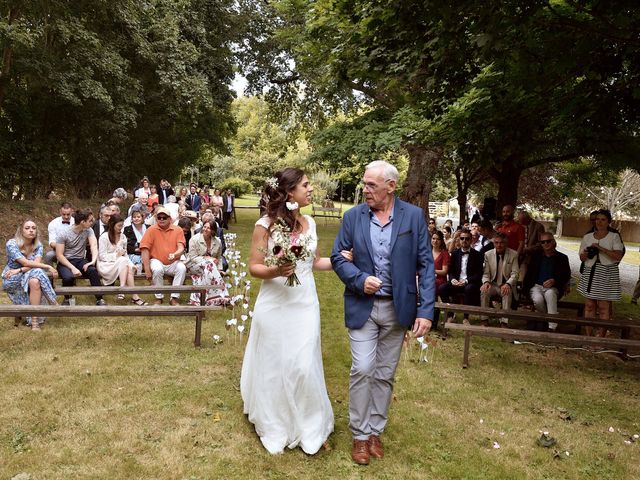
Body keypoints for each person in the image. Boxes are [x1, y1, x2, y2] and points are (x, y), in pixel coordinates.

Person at [331, 160, 434, 466]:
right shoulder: (352, 217)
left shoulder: (413, 217)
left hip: (398, 308)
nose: (366, 190)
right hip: (362, 306)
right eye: (364, 184)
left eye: (371, 185)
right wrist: (360, 279)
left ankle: (375, 430)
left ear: (391, 186)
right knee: (363, 369)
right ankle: (360, 436)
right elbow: (339, 256)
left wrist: (426, 311)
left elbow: (426, 265)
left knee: (385, 374)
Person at [241, 168, 339, 456]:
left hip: (305, 301)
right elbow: (254, 266)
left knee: (303, 362)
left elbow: (315, 261)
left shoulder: (309, 221)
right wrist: (277, 269)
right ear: (289, 192)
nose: (311, 189)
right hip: (275, 302)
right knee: (276, 363)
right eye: (306, 185)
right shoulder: (266, 225)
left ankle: (310, 423)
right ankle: (277, 421)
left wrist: (343, 261)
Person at [3, 220, 58, 330]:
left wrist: (19, 270)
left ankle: (34, 323)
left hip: (25, 274)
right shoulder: (12, 244)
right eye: (27, 228)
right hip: (12, 278)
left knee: (35, 280)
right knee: (37, 271)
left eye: (33, 228)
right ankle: (52, 299)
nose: (31, 230)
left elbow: (35, 265)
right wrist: (47, 266)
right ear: (21, 231)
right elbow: (27, 263)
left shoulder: (38, 246)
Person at [577, 209, 624, 336]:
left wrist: (600, 249)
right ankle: (589, 336)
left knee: (603, 307)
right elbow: (581, 258)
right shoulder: (587, 237)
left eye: (603, 219)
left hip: (607, 272)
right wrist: (586, 253)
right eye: (597, 219)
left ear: (609, 221)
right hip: (590, 271)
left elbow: (618, 256)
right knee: (589, 305)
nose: (599, 222)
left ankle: (601, 337)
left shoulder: (614, 236)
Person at [56, 208, 106, 306]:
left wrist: (92, 262)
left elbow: (94, 246)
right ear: (82, 222)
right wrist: (72, 268)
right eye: (90, 220)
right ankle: (67, 298)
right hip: (65, 261)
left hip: (80, 260)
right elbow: (59, 255)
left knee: (92, 271)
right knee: (68, 278)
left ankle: (99, 298)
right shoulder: (63, 233)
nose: (93, 222)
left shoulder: (88, 230)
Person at [522, 232, 571, 331]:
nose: (546, 244)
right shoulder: (536, 257)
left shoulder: (562, 258)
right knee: (538, 300)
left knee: (550, 294)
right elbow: (529, 275)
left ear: (553, 242)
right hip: (536, 286)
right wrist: (524, 289)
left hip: (553, 287)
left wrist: (554, 280)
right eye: (543, 242)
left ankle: (552, 327)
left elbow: (566, 275)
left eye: (548, 241)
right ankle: (547, 319)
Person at [140, 206, 187, 305]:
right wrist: (147, 270)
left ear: (170, 219)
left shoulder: (178, 230)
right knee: (157, 269)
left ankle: (174, 298)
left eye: (164, 217)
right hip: (156, 260)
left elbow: (181, 248)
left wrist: (175, 254)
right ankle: (159, 297)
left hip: (173, 261)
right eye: (159, 217)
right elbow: (144, 249)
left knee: (182, 268)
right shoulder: (151, 230)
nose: (161, 219)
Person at [97, 214, 147, 305]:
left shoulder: (123, 237)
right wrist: (116, 255)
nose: (121, 228)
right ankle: (123, 289)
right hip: (106, 264)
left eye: (122, 225)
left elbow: (125, 254)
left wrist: (132, 265)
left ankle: (134, 296)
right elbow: (101, 256)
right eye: (119, 226)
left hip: (121, 264)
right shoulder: (104, 237)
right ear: (112, 225)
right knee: (123, 261)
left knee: (128, 266)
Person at [438, 229, 483, 324]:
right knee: (442, 288)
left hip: (469, 284)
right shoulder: (455, 254)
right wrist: (453, 279)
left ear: (471, 240)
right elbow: (451, 271)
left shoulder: (477, 255)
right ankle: (451, 314)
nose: (464, 240)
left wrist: (466, 281)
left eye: (467, 238)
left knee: (469, 289)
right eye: (462, 238)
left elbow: (478, 274)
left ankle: (465, 317)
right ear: (459, 240)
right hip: (456, 283)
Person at [184, 219, 229, 306]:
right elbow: (193, 257)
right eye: (204, 227)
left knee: (209, 267)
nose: (205, 229)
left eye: (208, 228)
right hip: (193, 265)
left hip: (211, 268)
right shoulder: (194, 239)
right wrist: (208, 258)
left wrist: (219, 269)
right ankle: (221, 296)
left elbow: (218, 257)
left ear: (213, 230)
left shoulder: (217, 241)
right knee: (209, 264)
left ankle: (206, 299)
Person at [480, 232, 519, 326]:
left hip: (505, 284)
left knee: (507, 292)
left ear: (506, 243)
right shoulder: (488, 254)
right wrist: (486, 282)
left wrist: (508, 284)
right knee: (484, 290)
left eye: (501, 243)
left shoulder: (513, 254)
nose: (499, 245)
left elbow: (515, 273)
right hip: (493, 284)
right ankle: (484, 319)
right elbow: (486, 273)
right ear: (493, 243)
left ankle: (504, 322)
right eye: (496, 242)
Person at [431, 230, 450, 329]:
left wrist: (432, 271)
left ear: (441, 241)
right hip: (426, 279)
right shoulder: (426, 252)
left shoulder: (444, 254)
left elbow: (444, 271)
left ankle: (434, 320)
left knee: (432, 285)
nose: (435, 241)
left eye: (438, 239)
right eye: (433, 238)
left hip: (439, 281)